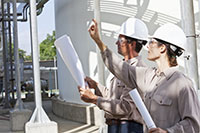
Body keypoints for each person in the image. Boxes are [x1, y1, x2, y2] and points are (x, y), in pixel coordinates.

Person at [86, 19, 200, 133]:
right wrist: (98, 42)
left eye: (152, 42)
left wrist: (168, 132)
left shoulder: (182, 83)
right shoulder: (149, 75)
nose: (147, 46)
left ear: (162, 48)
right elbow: (121, 68)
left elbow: (193, 124)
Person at [78, 18, 148, 133]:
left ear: (132, 43)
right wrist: (96, 86)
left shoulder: (138, 70)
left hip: (128, 128)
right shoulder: (123, 68)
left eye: (120, 40)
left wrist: (94, 99)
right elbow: (113, 97)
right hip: (117, 127)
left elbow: (125, 107)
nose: (116, 43)